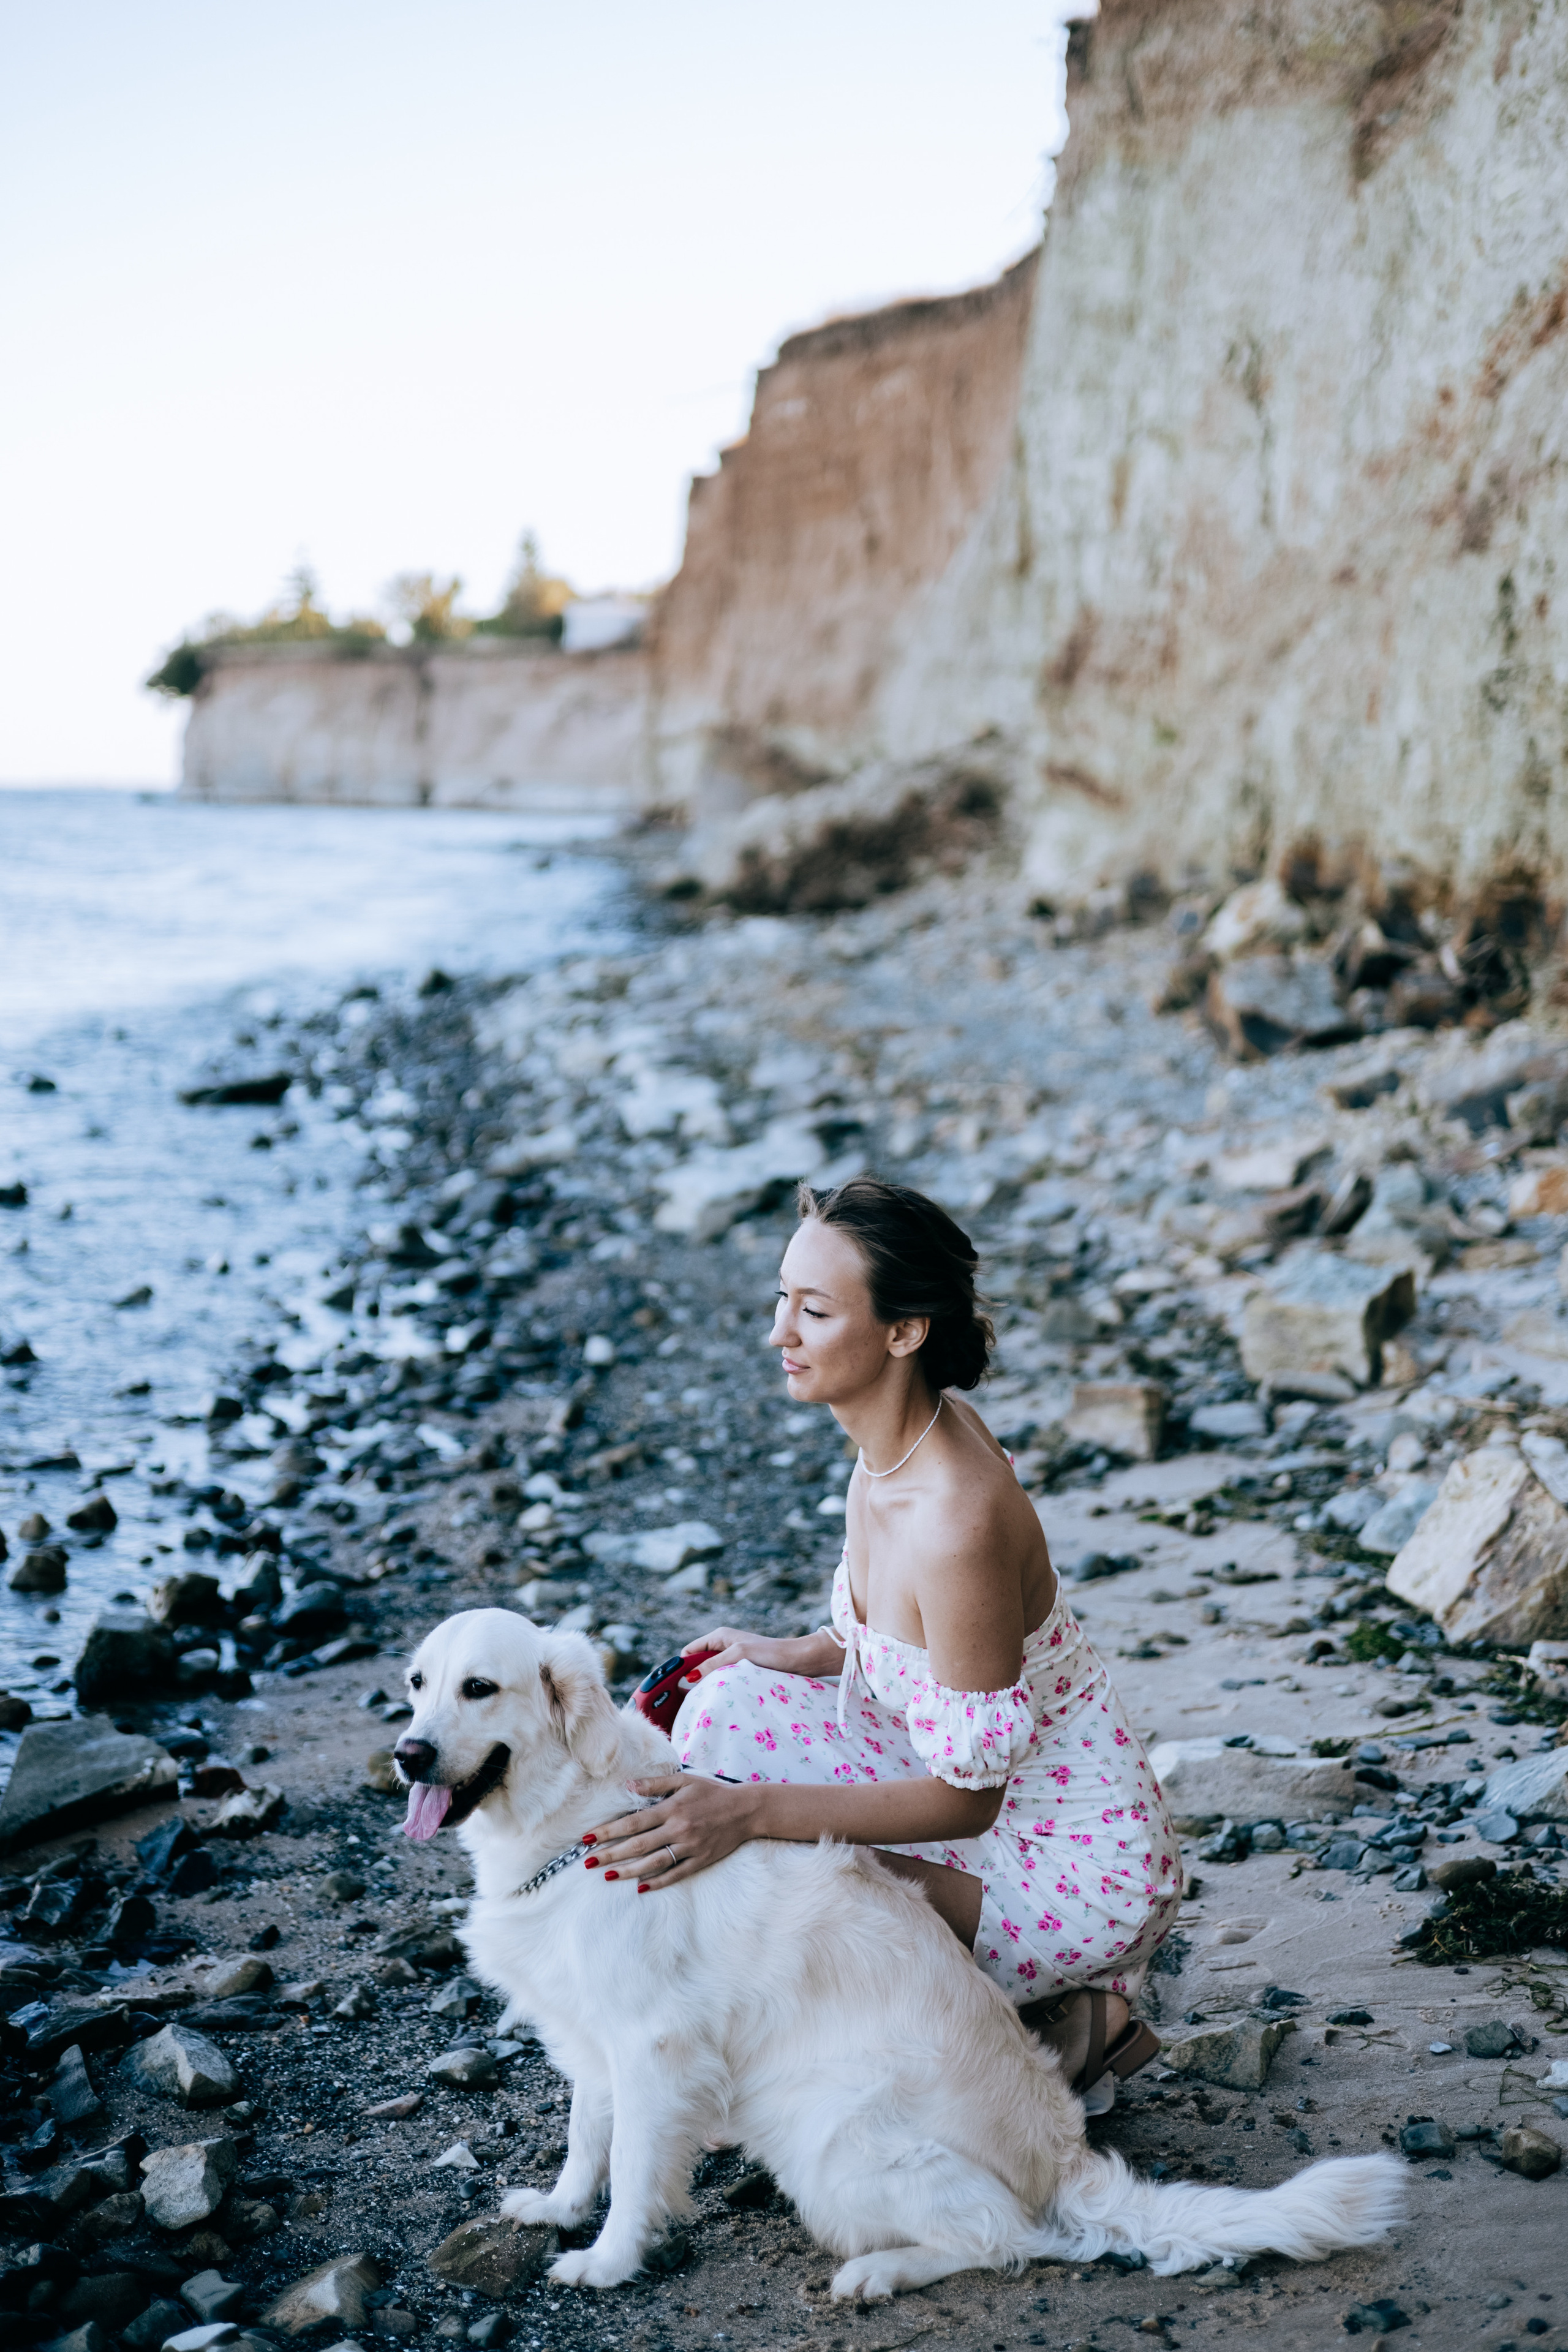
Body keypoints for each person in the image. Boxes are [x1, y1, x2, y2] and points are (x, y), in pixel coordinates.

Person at [584, 1174, 1182, 2105]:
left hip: (1069, 1866)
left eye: (814, 1312)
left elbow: (967, 1802)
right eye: (783, 1298)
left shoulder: (956, 1520)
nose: (778, 1333)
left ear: (904, 1334)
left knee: (751, 1837)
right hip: (1006, 1795)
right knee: (725, 1705)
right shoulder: (896, 1440)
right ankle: (1018, 2022)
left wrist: (748, 1815)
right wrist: (811, 1649)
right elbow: (923, 1644)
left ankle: (1046, 2017)